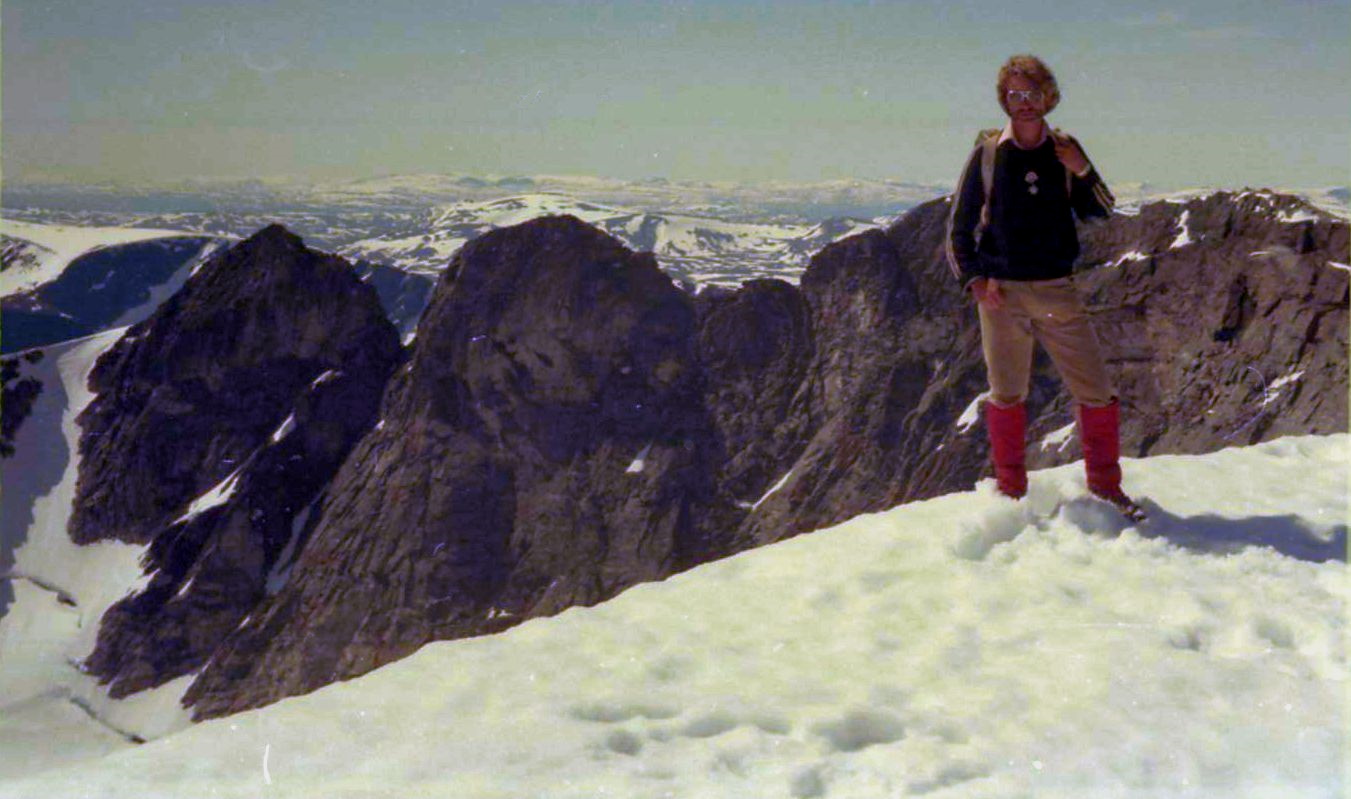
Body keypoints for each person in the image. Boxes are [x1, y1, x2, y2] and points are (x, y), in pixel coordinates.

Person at [945, 54, 1142, 518]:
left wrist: (1081, 169)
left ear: (1048, 97)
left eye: (1032, 94)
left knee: (1095, 389)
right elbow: (958, 227)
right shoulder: (990, 153)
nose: (1024, 103)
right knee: (1006, 394)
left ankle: (1106, 488)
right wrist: (975, 281)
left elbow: (1101, 208)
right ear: (1004, 99)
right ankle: (1011, 493)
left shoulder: (1064, 150)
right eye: (1015, 95)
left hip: (1056, 289)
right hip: (1001, 295)